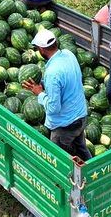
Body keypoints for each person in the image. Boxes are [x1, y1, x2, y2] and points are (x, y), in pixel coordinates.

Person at [22, 29, 92, 161]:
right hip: (81, 116)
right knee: (81, 148)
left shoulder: (52, 73)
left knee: (59, 159)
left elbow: (54, 108)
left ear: (42, 49)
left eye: (37, 48)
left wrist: (40, 93)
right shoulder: (68, 54)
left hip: (65, 125)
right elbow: (68, 80)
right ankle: (93, 171)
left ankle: (66, 180)